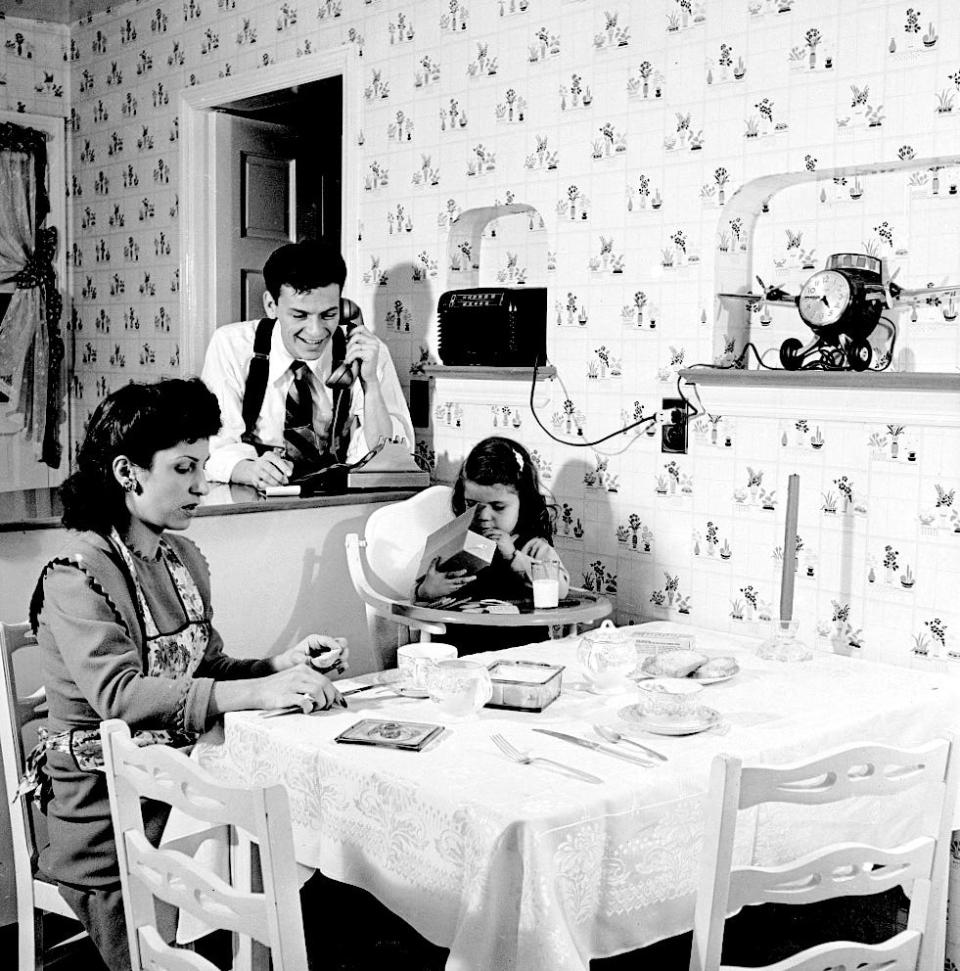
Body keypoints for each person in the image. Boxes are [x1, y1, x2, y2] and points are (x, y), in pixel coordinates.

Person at [27, 378, 348, 971]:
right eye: (183, 468)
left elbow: (208, 666)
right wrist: (257, 689)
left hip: (178, 786)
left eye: (202, 464)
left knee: (294, 863)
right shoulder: (75, 577)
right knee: (262, 862)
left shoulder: (181, 560)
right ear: (128, 473)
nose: (202, 484)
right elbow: (121, 696)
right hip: (108, 815)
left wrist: (284, 665)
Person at [200, 239, 414, 489]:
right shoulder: (232, 346)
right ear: (271, 305)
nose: (315, 332)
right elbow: (214, 446)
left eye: (328, 314)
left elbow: (388, 459)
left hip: (336, 501)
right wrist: (247, 469)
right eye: (300, 315)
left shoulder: (365, 352)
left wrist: (371, 384)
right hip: (254, 500)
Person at [413, 437, 570, 653]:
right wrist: (428, 589)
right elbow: (419, 596)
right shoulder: (457, 542)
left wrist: (514, 556)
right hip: (460, 652)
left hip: (519, 651)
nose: (484, 516)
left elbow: (560, 589)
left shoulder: (533, 547)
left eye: (498, 506)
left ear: (522, 503)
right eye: (472, 504)